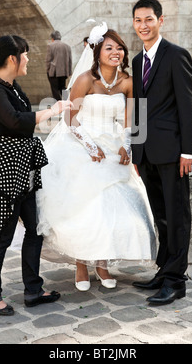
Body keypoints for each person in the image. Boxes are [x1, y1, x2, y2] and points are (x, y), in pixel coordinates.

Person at [36, 22, 157, 291]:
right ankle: (81, 263)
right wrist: (90, 146)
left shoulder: (128, 81)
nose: (116, 52)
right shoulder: (85, 80)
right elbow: (69, 116)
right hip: (81, 145)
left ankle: (102, 264)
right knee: (85, 206)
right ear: (97, 52)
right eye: (109, 48)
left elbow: (131, 118)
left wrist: (128, 145)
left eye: (120, 48)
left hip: (113, 145)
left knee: (110, 208)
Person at [0, 35, 72, 315]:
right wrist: (51, 111)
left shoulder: (11, 86)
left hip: (23, 170)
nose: (29, 59)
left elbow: (19, 121)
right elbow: (15, 121)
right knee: (1, 236)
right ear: (13, 58)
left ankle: (33, 289)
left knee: (34, 228)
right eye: (25, 55)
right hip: (6, 173)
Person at [131, 0, 192, 305]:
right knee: (160, 216)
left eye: (148, 19)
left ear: (160, 20)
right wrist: (135, 150)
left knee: (177, 215)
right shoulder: (136, 61)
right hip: (146, 153)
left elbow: (187, 105)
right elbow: (138, 108)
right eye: (138, 21)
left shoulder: (176, 55)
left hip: (173, 152)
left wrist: (189, 151)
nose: (143, 25)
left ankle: (176, 280)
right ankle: (163, 270)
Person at [46, 30, 72, 100]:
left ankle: (58, 103)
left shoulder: (50, 46)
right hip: (64, 71)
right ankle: (67, 100)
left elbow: (48, 59)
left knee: (54, 89)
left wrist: (48, 70)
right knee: (63, 87)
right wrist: (69, 72)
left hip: (53, 71)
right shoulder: (67, 46)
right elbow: (70, 60)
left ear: (52, 38)